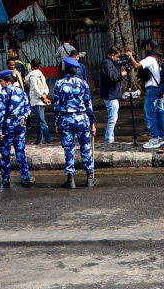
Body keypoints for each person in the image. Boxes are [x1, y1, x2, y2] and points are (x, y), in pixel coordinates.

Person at [50, 56, 96, 188]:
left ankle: (71, 180)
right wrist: (92, 123)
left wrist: (57, 123)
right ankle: (89, 178)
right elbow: (89, 106)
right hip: (82, 118)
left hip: (66, 119)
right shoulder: (83, 84)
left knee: (68, 149)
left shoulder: (59, 84)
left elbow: (57, 106)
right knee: (86, 148)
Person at [0, 69, 32, 189]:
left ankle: (6, 178)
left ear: (5, 81)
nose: (0, 83)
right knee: (20, 150)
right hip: (20, 124)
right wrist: (23, 118)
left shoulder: (3, 93)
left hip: (8, 124)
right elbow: (28, 108)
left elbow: (0, 113)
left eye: (1, 81)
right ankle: (25, 177)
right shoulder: (21, 91)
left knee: (5, 152)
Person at [138, 42, 164, 148]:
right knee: (160, 113)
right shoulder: (159, 58)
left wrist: (130, 57)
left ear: (149, 46)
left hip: (152, 89)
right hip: (159, 89)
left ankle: (154, 138)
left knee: (151, 114)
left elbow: (137, 65)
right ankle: (161, 136)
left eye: (146, 46)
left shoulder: (150, 59)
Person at [100, 46, 124, 144]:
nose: (118, 59)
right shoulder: (106, 63)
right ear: (112, 54)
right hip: (110, 95)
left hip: (112, 94)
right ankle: (109, 138)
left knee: (113, 118)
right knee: (112, 118)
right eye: (117, 56)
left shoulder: (109, 63)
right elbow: (112, 77)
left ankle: (110, 137)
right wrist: (121, 75)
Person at [24, 61, 52, 145]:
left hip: (37, 100)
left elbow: (36, 89)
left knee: (41, 121)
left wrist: (43, 97)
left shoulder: (32, 76)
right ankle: (38, 140)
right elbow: (46, 88)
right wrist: (44, 96)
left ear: (31, 66)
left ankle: (47, 139)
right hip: (41, 99)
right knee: (39, 122)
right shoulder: (41, 74)